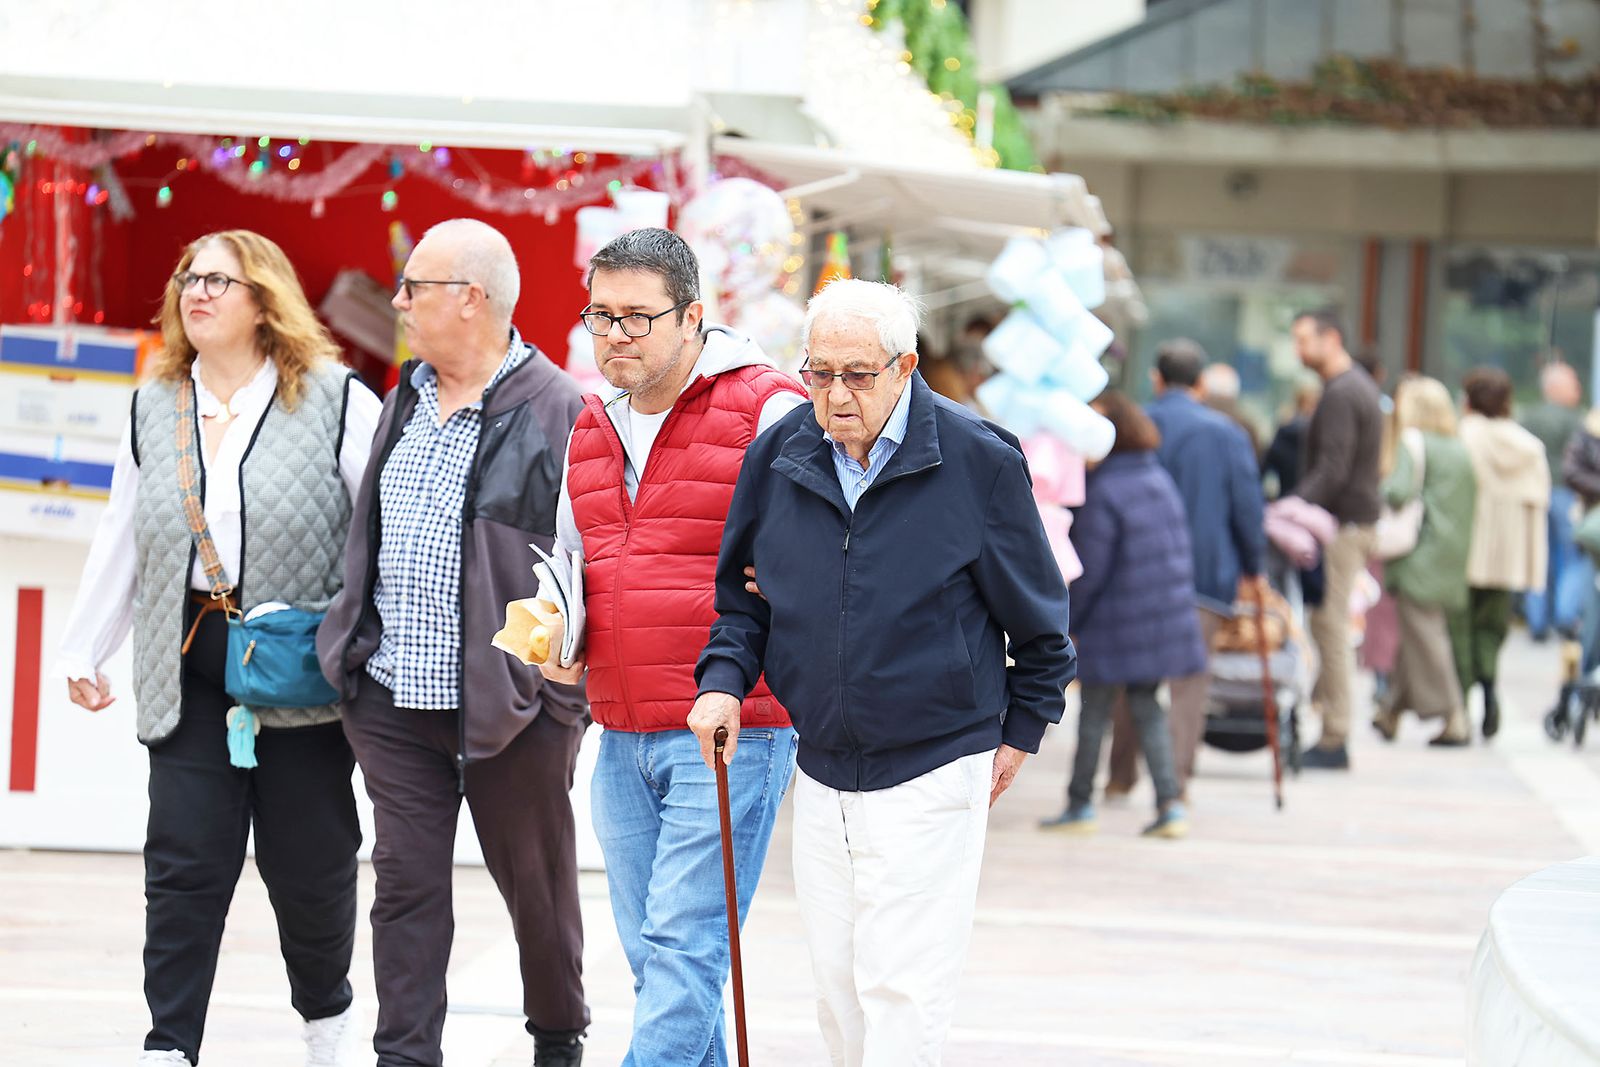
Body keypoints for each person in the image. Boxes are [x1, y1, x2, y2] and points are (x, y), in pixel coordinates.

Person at [688, 279, 1076, 1065]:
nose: (834, 394)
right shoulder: (780, 452)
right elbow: (742, 601)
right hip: (824, 761)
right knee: (837, 991)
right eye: (818, 371)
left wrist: (1024, 727)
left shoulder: (979, 461)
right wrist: (723, 680)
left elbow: (1040, 617)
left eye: (857, 374)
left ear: (904, 366)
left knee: (902, 986)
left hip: (937, 759)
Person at [54, 229, 380, 1066]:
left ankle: (326, 1027)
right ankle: (169, 1047)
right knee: (183, 863)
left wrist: (384, 649)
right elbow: (123, 530)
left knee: (309, 870)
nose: (196, 293)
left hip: (298, 672)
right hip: (191, 663)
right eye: (187, 278)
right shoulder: (152, 402)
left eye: (219, 281)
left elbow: (383, 531)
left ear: (264, 299)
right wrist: (85, 647)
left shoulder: (339, 400)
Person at [317, 219, 590, 1066]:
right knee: (403, 884)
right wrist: (351, 649)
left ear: (471, 299)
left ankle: (556, 1034)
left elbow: (587, 561)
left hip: (513, 706)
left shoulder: (561, 410)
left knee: (535, 892)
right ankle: (404, 1054)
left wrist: (556, 694)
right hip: (395, 697)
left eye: (413, 287)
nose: (395, 302)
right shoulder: (404, 396)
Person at [538, 228, 807, 1066]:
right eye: (599, 316)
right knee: (660, 962)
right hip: (619, 730)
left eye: (636, 318)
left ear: (693, 316)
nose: (614, 335)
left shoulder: (769, 406)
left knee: (685, 951)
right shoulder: (591, 427)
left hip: (732, 727)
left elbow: (828, 547)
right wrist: (554, 633)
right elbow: (570, 566)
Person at [1040, 390, 1204, 839]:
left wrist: (1067, 623)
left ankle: (1078, 805)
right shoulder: (1156, 478)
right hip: (1158, 619)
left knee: (1094, 713)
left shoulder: (1106, 489)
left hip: (1115, 621)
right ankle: (1170, 804)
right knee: (1148, 708)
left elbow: (1090, 568)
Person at [1108, 339, 1264, 801]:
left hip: (1134, 575)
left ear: (1157, 379)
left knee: (1129, 677)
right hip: (1205, 574)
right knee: (1190, 685)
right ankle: (1174, 787)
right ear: (1201, 384)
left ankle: (1120, 778)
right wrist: (1254, 567)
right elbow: (1247, 509)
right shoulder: (1228, 433)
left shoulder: (1133, 426)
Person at [1290, 308, 1384, 770]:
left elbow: (1333, 467)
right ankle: (1331, 727)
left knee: (1330, 626)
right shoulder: (1351, 387)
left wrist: (1291, 508)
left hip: (1344, 526)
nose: (1298, 350)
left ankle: (1335, 735)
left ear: (1332, 339)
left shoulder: (1345, 392)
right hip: (1349, 522)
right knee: (1329, 625)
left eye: (1305, 340)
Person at [1370, 377, 1477, 747]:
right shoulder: (1458, 448)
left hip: (1420, 554)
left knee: (1427, 639)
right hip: (1451, 554)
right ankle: (1390, 712)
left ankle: (1455, 716)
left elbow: (1397, 491)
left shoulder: (1413, 442)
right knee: (1416, 636)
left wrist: (1374, 489)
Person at [1453, 367, 1551, 740]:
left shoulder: (1463, 438)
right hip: (1508, 555)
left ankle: (1460, 704)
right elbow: (1537, 502)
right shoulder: (1527, 446)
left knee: (1459, 627)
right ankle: (1490, 684)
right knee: (1492, 628)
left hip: (1465, 547)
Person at [1520, 361, 1588, 641]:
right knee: (1573, 557)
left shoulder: (1528, 416)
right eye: (1573, 384)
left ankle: (1537, 621)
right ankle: (1565, 615)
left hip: (1534, 492)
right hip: (1565, 493)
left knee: (1537, 556)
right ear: (1556, 388)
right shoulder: (1577, 419)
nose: (1578, 389)